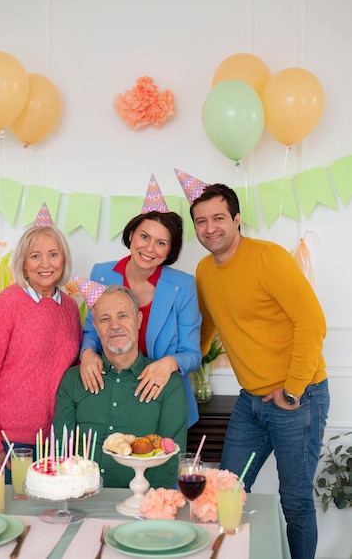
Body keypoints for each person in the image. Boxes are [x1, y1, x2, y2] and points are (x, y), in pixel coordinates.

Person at [185, 181, 329, 559]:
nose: (210, 227)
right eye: (201, 221)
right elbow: (207, 328)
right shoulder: (204, 269)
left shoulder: (269, 258)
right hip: (251, 401)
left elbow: (311, 323)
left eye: (218, 217)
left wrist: (294, 389)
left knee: (295, 501)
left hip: (299, 397)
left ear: (236, 220)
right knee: (224, 491)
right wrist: (182, 366)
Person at [0, 204, 82, 483]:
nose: (45, 264)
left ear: (63, 260)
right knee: (9, 523)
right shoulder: (6, 304)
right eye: (35, 256)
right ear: (23, 263)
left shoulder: (69, 307)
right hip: (8, 444)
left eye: (53, 255)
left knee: (49, 524)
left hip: (55, 444)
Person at [79, 175, 202, 428]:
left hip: (162, 398)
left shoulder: (183, 286)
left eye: (161, 243)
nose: (149, 248)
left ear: (170, 250)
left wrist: (168, 364)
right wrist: (88, 353)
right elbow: (92, 331)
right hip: (110, 396)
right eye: (144, 237)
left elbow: (192, 354)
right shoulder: (101, 274)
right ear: (132, 234)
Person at [53, 283, 188, 488]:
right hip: (82, 499)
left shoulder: (169, 385)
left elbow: (168, 463)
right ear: (96, 327)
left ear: (139, 320)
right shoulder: (73, 380)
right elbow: (61, 450)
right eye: (105, 319)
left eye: (123, 315)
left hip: (141, 504)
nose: (115, 325)